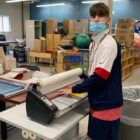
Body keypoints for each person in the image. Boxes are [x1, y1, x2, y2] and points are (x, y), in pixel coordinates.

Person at [58, 2, 123, 140]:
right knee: (91, 135)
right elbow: (94, 72)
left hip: (107, 105)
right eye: (93, 19)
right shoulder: (94, 43)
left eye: (99, 18)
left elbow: (99, 76)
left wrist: (75, 89)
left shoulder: (109, 44)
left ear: (108, 20)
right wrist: (80, 81)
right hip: (97, 101)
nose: (95, 22)